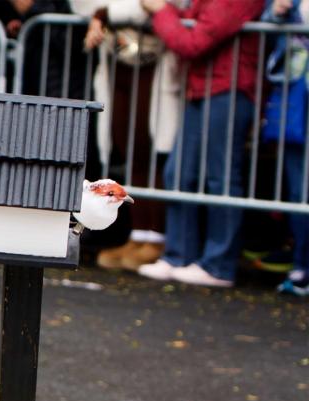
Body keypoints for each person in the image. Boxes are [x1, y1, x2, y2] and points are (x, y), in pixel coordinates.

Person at [138, 0, 265, 287]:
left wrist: (161, 12)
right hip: (206, 85)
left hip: (228, 88)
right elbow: (191, 26)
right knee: (179, 173)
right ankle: (179, 255)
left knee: (221, 177)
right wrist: (171, 16)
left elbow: (194, 41)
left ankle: (218, 264)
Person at [71, 0, 182, 270]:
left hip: (156, 61)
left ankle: (155, 238)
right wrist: (100, 14)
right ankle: (138, 234)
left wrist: (104, 13)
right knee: (128, 148)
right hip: (118, 57)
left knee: (150, 149)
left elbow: (152, 5)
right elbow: (82, 5)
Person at [267, 0, 309, 296]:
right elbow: (268, 17)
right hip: (296, 96)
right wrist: (277, 11)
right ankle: (302, 264)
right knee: (298, 191)